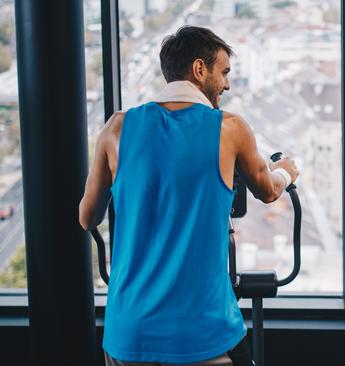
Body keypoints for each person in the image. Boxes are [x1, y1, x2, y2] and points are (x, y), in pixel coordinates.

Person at [79, 26, 298, 366]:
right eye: (223, 72)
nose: (226, 84)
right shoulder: (229, 128)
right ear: (199, 69)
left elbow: (87, 217)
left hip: (127, 332)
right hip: (201, 334)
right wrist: (286, 170)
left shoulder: (117, 128)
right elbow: (268, 190)